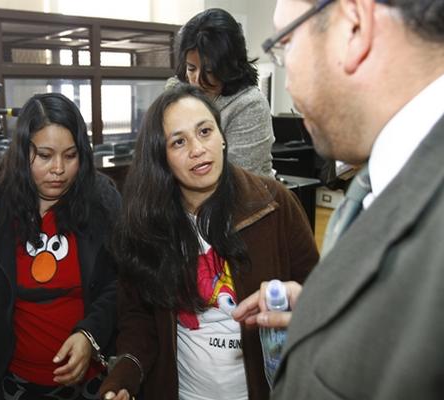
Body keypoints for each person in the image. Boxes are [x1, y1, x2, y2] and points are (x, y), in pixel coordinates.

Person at [233, 0, 444, 399]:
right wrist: (325, 310)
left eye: (287, 42)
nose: (288, 82)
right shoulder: (386, 177)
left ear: (353, 28)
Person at [99, 84, 318, 400]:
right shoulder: (149, 225)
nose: (197, 149)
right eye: (179, 142)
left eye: (205, 131)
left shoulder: (273, 205)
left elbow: (315, 293)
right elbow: (139, 318)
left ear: (223, 136)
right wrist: (125, 375)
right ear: (161, 156)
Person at [0, 93, 120, 400]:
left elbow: (122, 282)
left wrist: (90, 333)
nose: (59, 169)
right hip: (11, 383)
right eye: (44, 155)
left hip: (91, 383)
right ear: (22, 151)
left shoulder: (101, 200)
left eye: (70, 155)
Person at [172, 8, 275, 177]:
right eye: (191, 68)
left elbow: (237, 179)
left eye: (210, 70)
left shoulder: (249, 105)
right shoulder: (179, 94)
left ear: (230, 66)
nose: (197, 79)